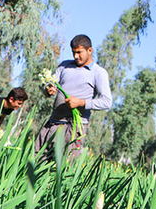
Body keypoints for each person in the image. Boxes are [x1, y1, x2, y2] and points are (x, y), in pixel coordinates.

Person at [35, 34, 112, 162]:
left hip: (74, 128)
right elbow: (50, 85)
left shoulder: (98, 73)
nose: (76, 56)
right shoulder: (64, 66)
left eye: (79, 52)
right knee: (36, 159)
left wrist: (80, 102)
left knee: (64, 166)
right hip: (53, 123)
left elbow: (106, 102)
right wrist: (49, 89)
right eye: (73, 52)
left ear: (90, 50)